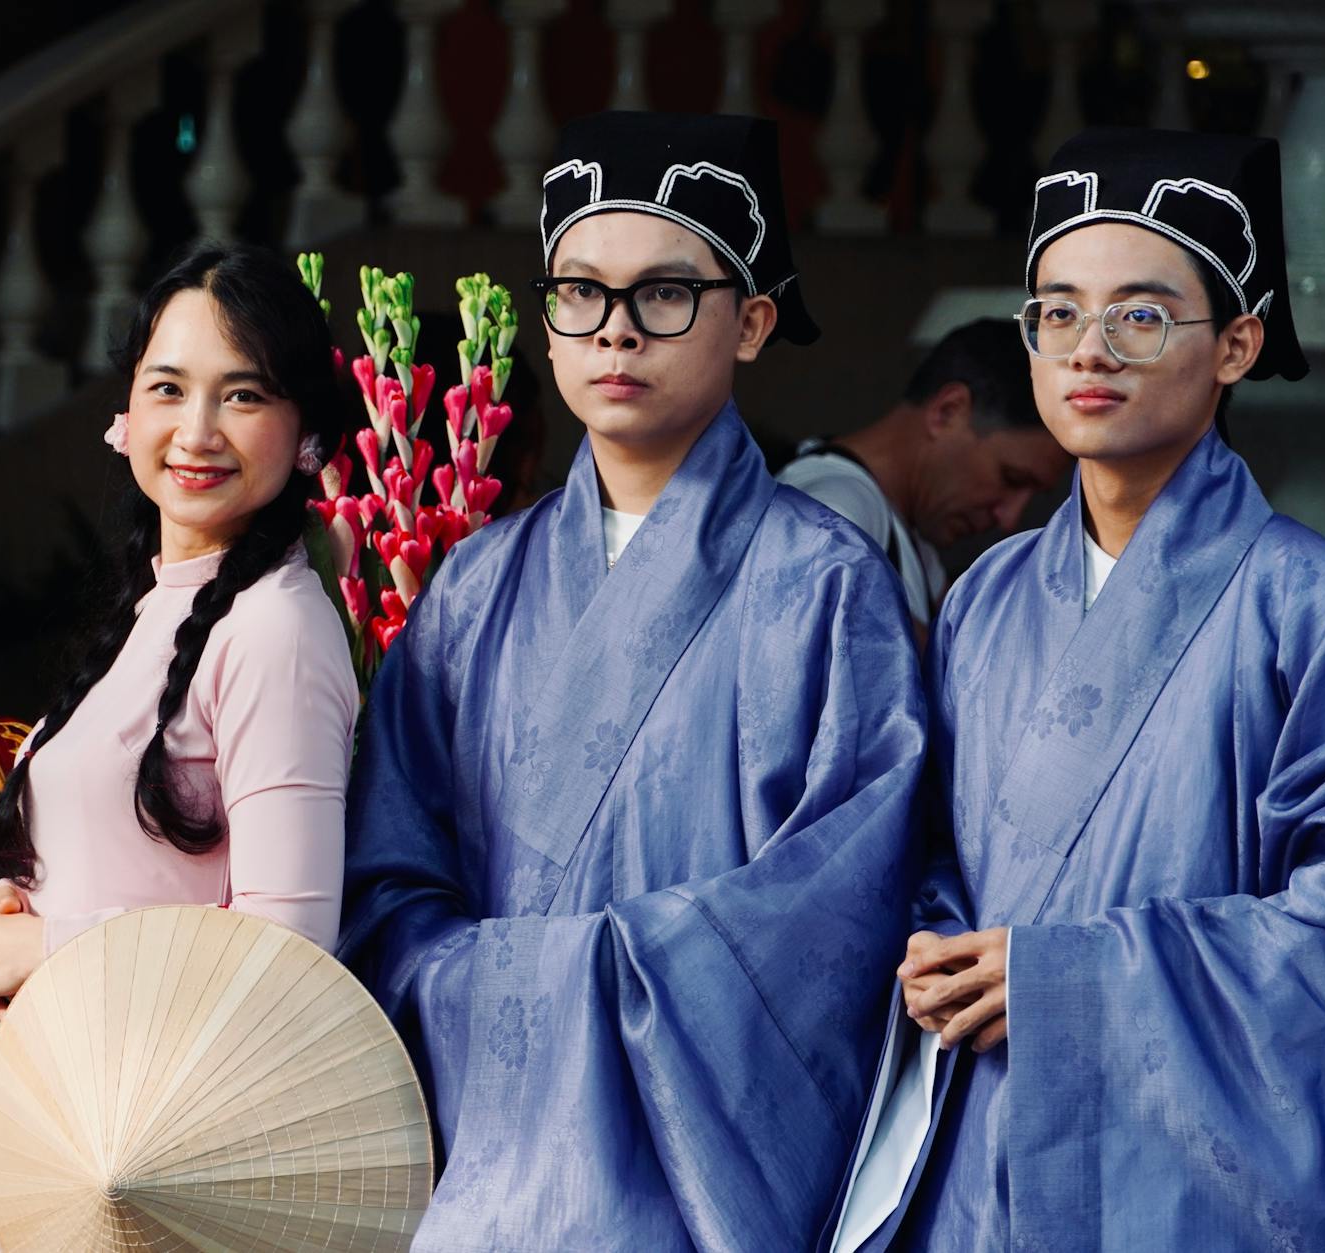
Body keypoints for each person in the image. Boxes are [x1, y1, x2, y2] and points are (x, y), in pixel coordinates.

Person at [829, 127, 1325, 1252]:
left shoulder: (1313, 608)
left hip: (1177, 1193)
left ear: (1234, 344)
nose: (1088, 349)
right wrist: (943, 955)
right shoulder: (981, 607)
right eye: (1056, 311)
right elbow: (934, 858)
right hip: (988, 1168)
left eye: (1139, 313)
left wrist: (1075, 981)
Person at [339, 111, 926, 1250]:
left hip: (704, 1178)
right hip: (490, 1163)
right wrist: (471, 981)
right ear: (547, 321)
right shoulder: (476, 584)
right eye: (579, 292)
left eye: (664, 294)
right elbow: (387, 874)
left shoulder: (826, 585)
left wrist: (568, 973)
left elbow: (845, 909)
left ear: (750, 321)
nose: (616, 332)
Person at [0, 243, 357, 1038]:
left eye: (244, 395)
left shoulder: (275, 627)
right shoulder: (157, 604)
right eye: (168, 388)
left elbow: (293, 952)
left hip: (175, 1125)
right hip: (80, 1092)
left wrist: (48, 946)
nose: (196, 432)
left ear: (307, 432)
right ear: (126, 415)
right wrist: (17, 910)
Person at [776, 319, 1068, 626]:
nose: (1008, 519)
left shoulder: (911, 538)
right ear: (948, 412)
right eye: (1011, 479)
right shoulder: (834, 512)